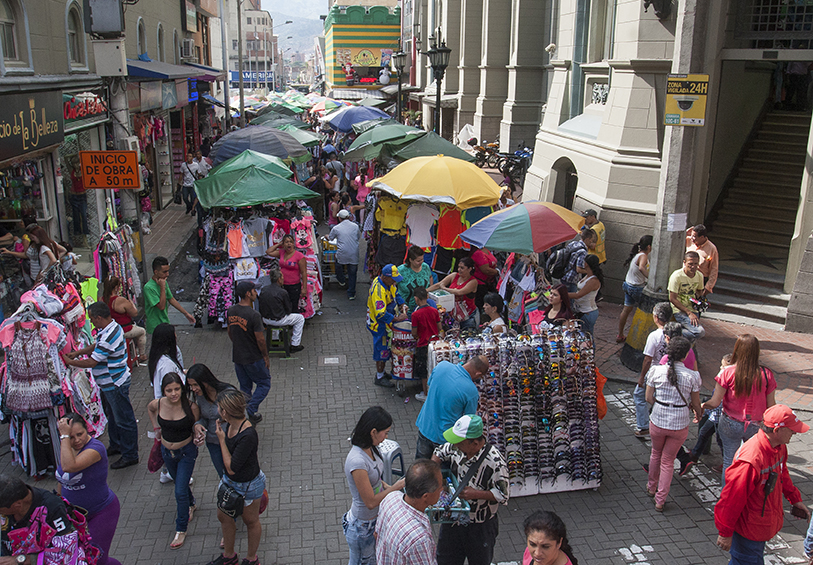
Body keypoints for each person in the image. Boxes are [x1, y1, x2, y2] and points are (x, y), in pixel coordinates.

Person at [714, 405, 811, 564]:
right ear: (777, 431)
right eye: (791, 429)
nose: (795, 432)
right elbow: (731, 499)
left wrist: (795, 499)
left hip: (760, 525)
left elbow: (782, 472)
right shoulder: (750, 461)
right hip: (749, 529)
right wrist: (725, 533)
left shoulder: (778, 447)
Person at [63, 302, 139, 469]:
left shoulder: (109, 334)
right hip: (108, 384)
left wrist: (71, 361)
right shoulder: (109, 329)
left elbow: (93, 361)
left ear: (98, 318)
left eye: (92, 319)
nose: (91, 322)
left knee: (124, 420)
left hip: (114, 384)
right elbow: (96, 347)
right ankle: (117, 445)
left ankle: (130, 454)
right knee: (112, 416)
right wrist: (78, 353)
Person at [432, 415, 509, 565]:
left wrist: (476, 494)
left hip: (480, 527)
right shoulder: (456, 446)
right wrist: (434, 477)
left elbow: (503, 495)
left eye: (459, 442)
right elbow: (439, 452)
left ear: (474, 443)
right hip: (453, 519)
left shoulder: (496, 462)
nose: (455, 445)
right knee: (446, 560)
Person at [700, 334, 777, 481]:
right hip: (756, 425)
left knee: (729, 462)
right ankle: (746, 495)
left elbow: (715, 402)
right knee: (751, 462)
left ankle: (726, 498)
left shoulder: (727, 373)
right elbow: (771, 406)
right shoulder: (767, 375)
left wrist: (702, 405)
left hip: (730, 423)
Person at [206, 389, 265, 565]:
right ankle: (229, 556)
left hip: (248, 485)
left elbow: (231, 468)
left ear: (225, 411)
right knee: (223, 516)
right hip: (230, 483)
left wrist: (221, 440)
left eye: (219, 407)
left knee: (250, 521)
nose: (217, 410)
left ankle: (251, 559)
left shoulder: (247, 435)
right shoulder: (229, 424)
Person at [343, 407, 407, 565]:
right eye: (385, 432)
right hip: (362, 527)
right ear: (373, 432)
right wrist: (395, 487)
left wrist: (385, 486)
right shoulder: (357, 462)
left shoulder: (371, 448)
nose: (386, 437)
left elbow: (376, 480)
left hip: (372, 522)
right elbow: (370, 502)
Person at [55, 413, 122, 565]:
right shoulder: (67, 449)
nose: (77, 440)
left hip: (101, 512)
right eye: (72, 437)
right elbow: (62, 478)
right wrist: (58, 501)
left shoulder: (96, 449)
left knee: (96, 559)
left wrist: (65, 437)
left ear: (88, 430)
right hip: (74, 517)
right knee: (79, 558)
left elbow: (68, 467)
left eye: (80, 434)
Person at [644, 337, 702, 511]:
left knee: (655, 454)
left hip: (658, 420)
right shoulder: (693, 376)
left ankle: (651, 487)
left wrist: (660, 405)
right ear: (685, 356)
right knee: (668, 461)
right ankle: (660, 500)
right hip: (679, 424)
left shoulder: (656, 371)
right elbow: (696, 403)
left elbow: (648, 397)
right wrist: (698, 413)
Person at [147, 373, 200, 549]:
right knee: (180, 483)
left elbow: (197, 425)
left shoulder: (191, 407)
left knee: (179, 491)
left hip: (186, 453)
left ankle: (181, 529)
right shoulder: (159, 403)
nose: (173, 393)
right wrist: (156, 427)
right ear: (163, 391)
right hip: (166, 452)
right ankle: (191, 504)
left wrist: (198, 434)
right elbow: (150, 408)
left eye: (177, 389)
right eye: (169, 390)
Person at [0, 474, 93, 564]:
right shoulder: (9, 501)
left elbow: (67, 552)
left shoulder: (52, 508)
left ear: (17, 505)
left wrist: (21, 560)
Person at [414, 356, 489, 460]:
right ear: (478, 374)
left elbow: (430, 384)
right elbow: (468, 421)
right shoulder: (471, 391)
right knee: (441, 473)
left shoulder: (442, 366)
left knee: (420, 469)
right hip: (445, 439)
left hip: (425, 427)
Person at [375, 459, 444, 565]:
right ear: (426, 496)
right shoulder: (419, 539)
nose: (442, 490)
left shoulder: (391, 498)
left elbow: (377, 534)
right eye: (440, 488)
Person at [676, 354, 730, 478]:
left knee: (721, 441)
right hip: (714, 415)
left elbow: (716, 401)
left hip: (721, 416)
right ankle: (695, 455)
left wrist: (701, 406)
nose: (721, 368)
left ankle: (727, 463)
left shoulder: (727, 379)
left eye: (724, 366)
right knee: (704, 432)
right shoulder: (722, 377)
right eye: (721, 365)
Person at [227, 281, 270, 425]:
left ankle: (246, 413)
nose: (255, 293)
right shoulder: (254, 315)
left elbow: (230, 332)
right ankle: (251, 409)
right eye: (253, 291)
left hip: (238, 357)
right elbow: (260, 339)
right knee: (264, 383)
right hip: (253, 357)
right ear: (248, 293)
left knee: (245, 387)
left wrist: (239, 343)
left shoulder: (231, 311)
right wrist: (265, 355)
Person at [188, 364, 235, 479]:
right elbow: (205, 417)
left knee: (234, 473)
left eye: (195, 384)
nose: (193, 389)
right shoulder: (200, 395)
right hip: (213, 443)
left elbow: (241, 417)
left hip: (231, 442)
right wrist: (198, 424)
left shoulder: (228, 393)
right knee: (223, 476)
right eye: (190, 385)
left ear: (205, 381)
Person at [634, 302, 673, 438]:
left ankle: (644, 426)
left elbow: (648, 359)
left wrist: (641, 377)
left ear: (656, 317)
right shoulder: (676, 332)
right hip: (670, 372)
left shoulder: (654, 336)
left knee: (640, 395)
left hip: (654, 373)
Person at [367, 264, 407, 388]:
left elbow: (396, 294)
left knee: (387, 348)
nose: (395, 282)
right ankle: (379, 376)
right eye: (393, 279)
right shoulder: (378, 290)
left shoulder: (389, 284)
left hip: (387, 323)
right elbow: (380, 314)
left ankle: (382, 372)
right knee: (382, 349)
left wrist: (402, 304)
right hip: (379, 325)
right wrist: (396, 318)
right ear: (385, 277)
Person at [143, 256, 195, 334]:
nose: (167, 274)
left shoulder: (163, 282)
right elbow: (161, 306)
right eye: (164, 272)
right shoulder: (149, 288)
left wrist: (186, 314)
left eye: (168, 271)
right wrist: (162, 287)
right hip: (155, 327)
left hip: (165, 322)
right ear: (156, 272)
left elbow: (171, 299)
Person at [258, 268, 305, 352]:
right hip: (278, 319)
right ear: (279, 279)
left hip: (265, 319)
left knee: (275, 314)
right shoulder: (282, 292)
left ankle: (275, 339)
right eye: (282, 277)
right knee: (300, 318)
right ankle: (295, 344)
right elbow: (288, 309)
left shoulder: (264, 290)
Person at [102, 276, 147, 362]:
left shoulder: (102, 299)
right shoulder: (120, 300)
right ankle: (142, 355)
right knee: (142, 331)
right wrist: (131, 304)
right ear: (116, 287)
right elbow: (134, 313)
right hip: (124, 329)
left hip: (109, 330)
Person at [618, 235, 652, 342]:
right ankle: (640, 338)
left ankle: (620, 334)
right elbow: (642, 267)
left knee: (626, 309)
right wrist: (650, 278)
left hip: (628, 285)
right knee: (646, 311)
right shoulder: (643, 256)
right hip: (637, 288)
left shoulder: (637, 255)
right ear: (649, 246)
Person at [428, 257, 479, 330]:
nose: (459, 270)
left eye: (462, 268)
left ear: (469, 269)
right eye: (458, 267)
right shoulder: (454, 275)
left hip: (468, 317)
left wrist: (444, 288)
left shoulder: (473, 282)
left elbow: (459, 292)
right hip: (454, 316)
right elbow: (438, 285)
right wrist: (425, 291)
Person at [410, 287, 441, 402]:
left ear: (416, 299)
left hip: (423, 344)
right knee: (434, 367)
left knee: (424, 370)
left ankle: (426, 394)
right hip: (435, 343)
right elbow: (439, 327)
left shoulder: (415, 315)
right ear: (427, 297)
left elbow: (414, 332)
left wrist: (417, 336)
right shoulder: (434, 311)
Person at [667, 251, 706, 341]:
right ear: (684, 262)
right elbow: (672, 298)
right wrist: (689, 312)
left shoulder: (699, 276)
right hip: (680, 310)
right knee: (699, 332)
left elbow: (699, 292)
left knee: (692, 337)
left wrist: (701, 302)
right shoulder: (676, 276)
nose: (693, 267)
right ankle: (674, 332)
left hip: (693, 308)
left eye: (696, 264)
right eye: (690, 264)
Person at [266, 234, 308, 313]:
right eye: (286, 242)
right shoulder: (281, 253)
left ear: (293, 244)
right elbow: (268, 252)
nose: (289, 244)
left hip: (294, 285)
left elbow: (304, 272)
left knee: (293, 306)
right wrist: (278, 244)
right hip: (282, 284)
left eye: (291, 242)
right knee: (283, 305)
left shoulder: (299, 256)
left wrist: (304, 288)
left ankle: (295, 323)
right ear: (283, 244)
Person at [329, 209, 361, 300]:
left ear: (339, 218)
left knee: (338, 264)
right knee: (352, 273)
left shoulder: (336, 228)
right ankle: (351, 293)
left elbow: (331, 238)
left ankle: (341, 280)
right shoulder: (355, 226)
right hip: (354, 252)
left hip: (342, 252)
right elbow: (357, 237)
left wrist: (327, 236)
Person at [148, 322, 185, 399]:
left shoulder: (158, 357)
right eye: (174, 334)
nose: (176, 336)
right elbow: (171, 387)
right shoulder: (166, 365)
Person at [568, 254, 603, 336]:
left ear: (586, 264)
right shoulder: (587, 276)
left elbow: (578, 295)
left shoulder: (593, 280)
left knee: (587, 337)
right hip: (581, 311)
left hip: (588, 312)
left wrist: (562, 294)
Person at [398, 246, 434, 314]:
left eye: (422, 259)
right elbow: (392, 286)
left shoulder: (425, 267)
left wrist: (429, 290)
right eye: (418, 261)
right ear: (411, 260)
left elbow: (430, 277)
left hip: (424, 307)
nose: (421, 262)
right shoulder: (401, 271)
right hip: (407, 310)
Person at [685, 224, 718, 295]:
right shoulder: (688, 240)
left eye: (694, 236)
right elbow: (674, 240)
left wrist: (708, 287)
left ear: (702, 237)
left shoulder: (712, 248)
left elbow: (714, 269)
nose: (692, 238)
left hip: (699, 282)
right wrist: (685, 233)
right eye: (691, 235)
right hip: (685, 278)